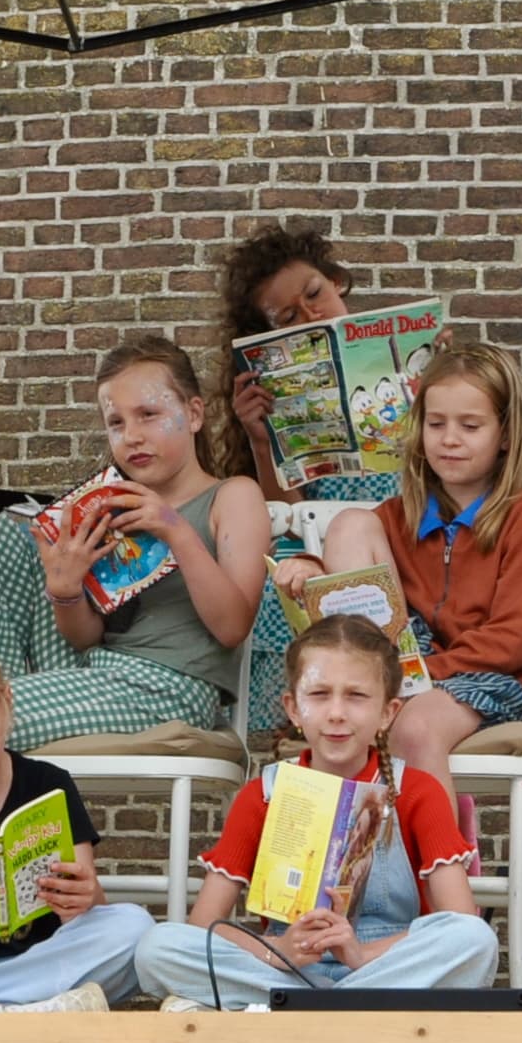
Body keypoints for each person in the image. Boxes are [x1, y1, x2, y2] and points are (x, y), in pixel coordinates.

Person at [133, 616, 497, 1008]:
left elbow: (460, 917)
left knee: (474, 941)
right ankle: (343, 1007)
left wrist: (360, 954)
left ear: (388, 712)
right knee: (157, 948)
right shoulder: (261, 796)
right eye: (319, 694)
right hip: (287, 971)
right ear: (293, 707)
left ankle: (310, 1008)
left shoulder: (417, 791)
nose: (336, 713)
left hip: (382, 965)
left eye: (356, 696)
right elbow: (205, 924)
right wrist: (278, 950)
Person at [284, 341, 522, 808]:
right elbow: (353, 586)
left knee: (413, 724)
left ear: (506, 434)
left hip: (494, 683)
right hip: (403, 671)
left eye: (470, 426)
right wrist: (308, 569)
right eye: (436, 424)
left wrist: (415, 676)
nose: (449, 439)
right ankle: (356, 863)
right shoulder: (397, 517)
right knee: (350, 524)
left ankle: (436, 871)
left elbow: (511, 642)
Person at [0, 337, 264, 748]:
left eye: (148, 414)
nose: (132, 437)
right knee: (16, 529)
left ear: (194, 414)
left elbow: (233, 627)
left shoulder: (233, 496)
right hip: (98, 668)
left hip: (171, 687)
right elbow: (86, 639)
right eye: (117, 423)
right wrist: (65, 591)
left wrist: (175, 528)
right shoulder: (113, 506)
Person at [208, 224, 409, 738]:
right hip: (317, 556)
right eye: (289, 317)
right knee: (287, 582)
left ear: (337, 282)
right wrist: (260, 437)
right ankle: (307, 717)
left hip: (404, 557)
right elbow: (286, 517)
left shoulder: (396, 364)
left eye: (315, 294)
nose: (312, 314)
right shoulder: (275, 408)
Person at [0, 630, 152, 1013]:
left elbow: (90, 908)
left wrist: (82, 897)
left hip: (37, 965)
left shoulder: (48, 783)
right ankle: (29, 1013)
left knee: (135, 928)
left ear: (6, 702)